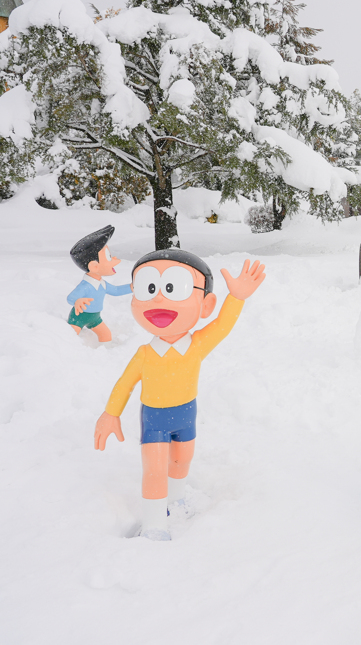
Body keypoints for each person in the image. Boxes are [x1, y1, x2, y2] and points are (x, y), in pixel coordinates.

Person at [93, 249, 266, 540]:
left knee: (181, 461)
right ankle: (154, 523)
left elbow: (222, 326)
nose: (159, 299)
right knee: (155, 471)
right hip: (154, 420)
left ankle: (176, 499)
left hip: (187, 414)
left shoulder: (197, 345)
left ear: (206, 304)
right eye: (149, 289)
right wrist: (111, 413)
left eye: (173, 288)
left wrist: (237, 297)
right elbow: (125, 384)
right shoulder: (145, 354)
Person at [66, 225, 132, 342]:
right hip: (78, 318)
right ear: (94, 266)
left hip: (95, 318)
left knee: (106, 336)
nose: (114, 259)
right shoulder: (86, 286)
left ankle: (104, 354)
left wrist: (132, 287)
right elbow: (71, 297)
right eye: (109, 257)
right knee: (70, 337)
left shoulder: (102, 284)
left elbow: (116, 291)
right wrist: (77, 301)